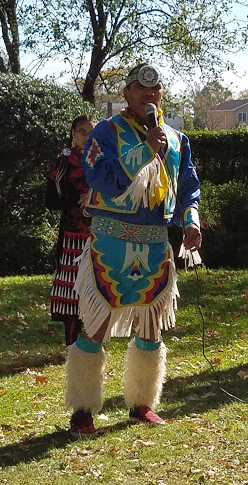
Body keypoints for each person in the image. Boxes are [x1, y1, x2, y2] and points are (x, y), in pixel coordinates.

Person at [65, 64, 202, 437]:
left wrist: (191, 220)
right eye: (141, 90)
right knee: (96, 323)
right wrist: (144, 152)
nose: (149, 96)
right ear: (126, 94)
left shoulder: (176, 139)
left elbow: (188, 186)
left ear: (161, 95)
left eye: (155, 90)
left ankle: (142, 404)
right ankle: (82, 409)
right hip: (111, 241)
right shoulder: (106, 134)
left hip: (156, 244)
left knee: (151, 324)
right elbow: (101, 178)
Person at [45, 114, 97, 346]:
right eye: (81, 132)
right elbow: (50, 200)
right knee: (71, 292)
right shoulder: (63, 162)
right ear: (73, 134)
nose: (86, 137)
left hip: (99, 232)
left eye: (90, 132)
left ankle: (93, 340)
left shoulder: (102, 159)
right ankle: (72, 343)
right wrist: (76, 200)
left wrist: (96, 198)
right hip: (73, 236)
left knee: (95, 287)